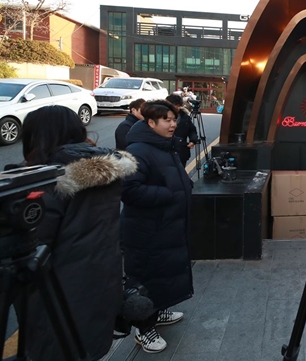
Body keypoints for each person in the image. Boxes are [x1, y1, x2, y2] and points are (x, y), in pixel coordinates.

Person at [14, 105, 137, 361]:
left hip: (55, 297)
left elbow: (27, 247)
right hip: (100, 284)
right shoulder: (106, 174)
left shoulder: (46, 182)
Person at [120, 100, 194, 353]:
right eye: (167, 120)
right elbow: (128, 190)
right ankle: (143, 329)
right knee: (146, 277)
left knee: (163, 274)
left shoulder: (164, 146)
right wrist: (169, 195)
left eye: (174, 119)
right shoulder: (139, 150)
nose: (173, 124)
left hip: (165, 226)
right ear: (151, 123)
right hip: (146, 230)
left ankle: (157, 311)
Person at [165, 94, 198, 166]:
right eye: (174, 105)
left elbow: (192, 130)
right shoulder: (160, 116)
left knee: (181, 173)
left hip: (181, 151)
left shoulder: (185, 117)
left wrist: (193, 140)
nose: (177, 107)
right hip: (166, 151)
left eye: (178, 105)